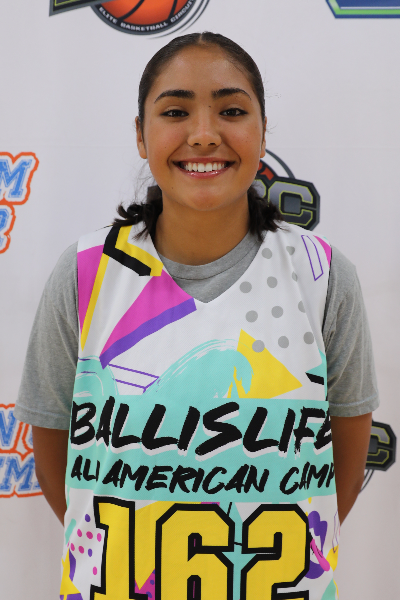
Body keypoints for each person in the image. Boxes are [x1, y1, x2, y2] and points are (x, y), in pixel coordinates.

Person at [15, 32, 378, 600]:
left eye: (231, 111)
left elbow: (344, 465)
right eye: (175, 111)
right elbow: (55, 456)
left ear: (262, 132)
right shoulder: (86, 273)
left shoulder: (323, 276)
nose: (204, 134)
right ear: (141, 135)